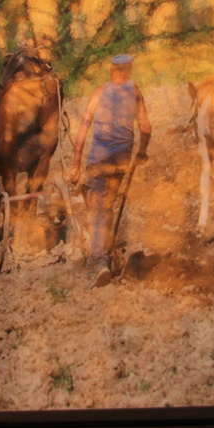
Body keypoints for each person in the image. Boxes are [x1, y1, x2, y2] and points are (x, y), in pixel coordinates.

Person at [70, 54, 152, 286]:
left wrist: (76, 165)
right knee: (107, 206)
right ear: (129, 70)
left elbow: (84, 126)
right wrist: (142, 153)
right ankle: (105, 251)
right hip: (122, 161)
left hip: (98, 160)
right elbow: (145, 128)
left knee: (97, 210)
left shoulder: (98, 92)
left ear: (111, 70)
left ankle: (98, 263)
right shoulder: (135, 91)